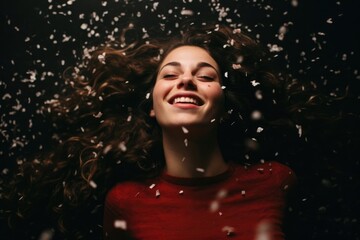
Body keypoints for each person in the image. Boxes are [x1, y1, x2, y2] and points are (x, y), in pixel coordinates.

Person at [1, 24, 299, 239]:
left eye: (205, 76)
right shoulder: (126, 201)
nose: (186, 80)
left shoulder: (275, 181)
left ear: (223, 106)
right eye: (170, 74)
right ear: (153, 106)